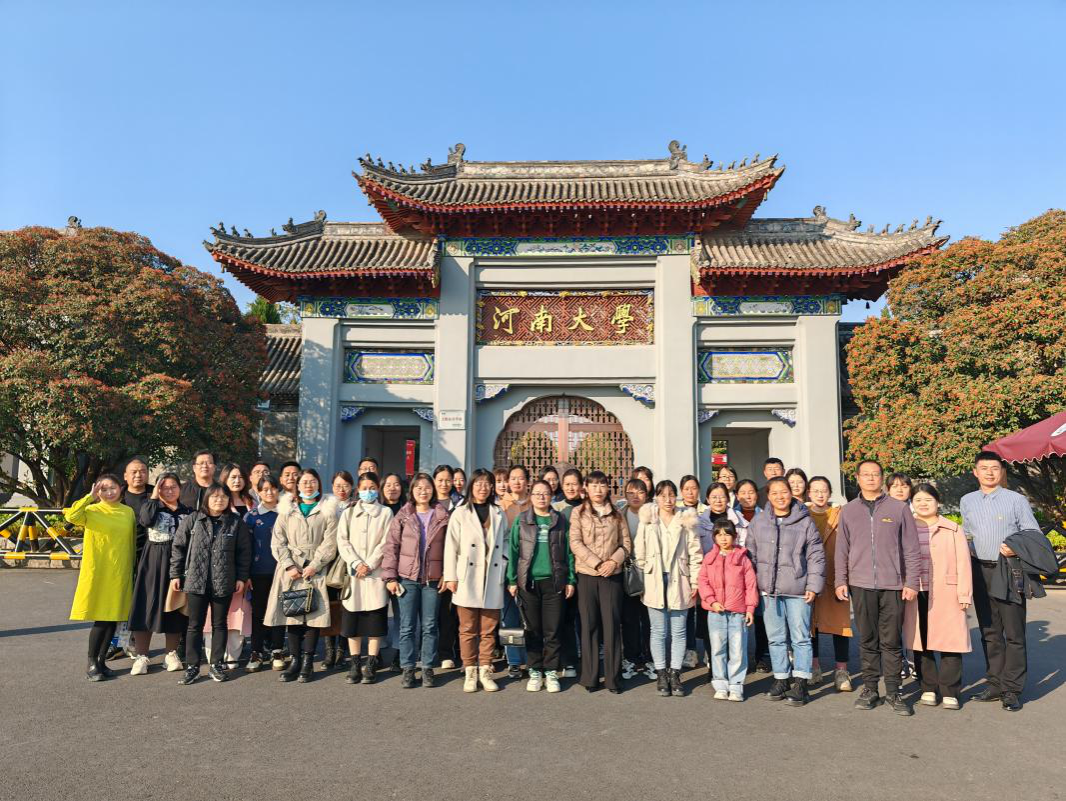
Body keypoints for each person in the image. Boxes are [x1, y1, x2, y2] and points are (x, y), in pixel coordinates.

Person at [835, 459, 921, 715]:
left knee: (891, 641)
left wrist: (911, 582)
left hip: (893, 584)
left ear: (882, 478)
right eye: (866, 474)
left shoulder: (898, 508)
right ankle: (870, 689)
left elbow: (912, 548)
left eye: (875, 474)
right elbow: (842, 549)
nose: (871, 478)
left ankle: (894, 692)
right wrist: (840, 580)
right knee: (868, 640)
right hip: (860, 584)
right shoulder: (848, 511)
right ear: (857, 478)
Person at [962, 450, 1041, 712]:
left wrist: (1015, 546)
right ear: (975, 472)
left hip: (1008, 569)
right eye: (984, 468)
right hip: (979, 570)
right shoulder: (967, 500)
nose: (989, 472)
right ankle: (995, 683)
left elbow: (1032, 532)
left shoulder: (1016, 500)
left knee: (1014, 633)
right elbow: (966, 533)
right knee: (990, 631)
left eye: (994, 468)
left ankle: (1012, 689)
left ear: (1001, 471)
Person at [748, 477, 825, 706]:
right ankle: (781, 678)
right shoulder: (759, 521)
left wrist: (813, 586)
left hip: (798, 589)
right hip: (769, 590)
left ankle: (801, 682)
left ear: (791, 493)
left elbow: (815, 555)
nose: (780, 497)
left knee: (801, 638)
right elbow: (750, 555)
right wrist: (753, 586)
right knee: (776, 638)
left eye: (784, 492)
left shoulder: (805, 521)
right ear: (768, 496)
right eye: (774, 493)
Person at [169, 483, 252, 685]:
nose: (219, 500)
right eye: (214, 496)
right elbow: (178, 547)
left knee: (220, 624)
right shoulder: (193, 519)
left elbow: (244, 552)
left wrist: (241, 577)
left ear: (228, 500)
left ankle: (216, 664)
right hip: (196, 580)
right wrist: (175, 574)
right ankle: (192, 667)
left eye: (223, 497)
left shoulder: (235, 523)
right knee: (194, 625)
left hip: (224, 580)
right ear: (206, 498)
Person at [264, 469, 338, 683]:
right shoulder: (287, 509)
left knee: (313, 616)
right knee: (293, 615)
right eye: (304, 482)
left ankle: (307, 662)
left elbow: (330, 543)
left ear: (318, 484)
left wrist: (315, 565)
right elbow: (278, 541)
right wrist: (288, 565)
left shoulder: (327, 510)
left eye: (312, 481)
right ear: (297, 485)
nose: (308, 485)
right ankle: (295, 661)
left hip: (315, 569)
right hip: (290, 570)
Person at [905, 483, 972, 710]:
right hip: (915, 592)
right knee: (920, 642)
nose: (923, 504)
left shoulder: (952, 529)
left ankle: (950, 691)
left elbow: (964, 563)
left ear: (938, 502)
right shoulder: (906, 528)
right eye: (918, 500)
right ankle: (928, 688)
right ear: (912, 503)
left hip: (947, 592)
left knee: (950, 641)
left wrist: (964, 593)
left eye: (928, 500)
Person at [634, 480, 703, 697]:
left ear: (677, 496)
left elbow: (695, 553)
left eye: (671, 494)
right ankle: (661, 672)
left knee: (679, 630)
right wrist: (643, 577)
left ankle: (675, 673)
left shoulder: (686, 519)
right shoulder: (648, 518)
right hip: (654, 579)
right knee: (658, 630)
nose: (667, 499)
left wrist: (695, 582)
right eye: (662, 495)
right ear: (656, 497)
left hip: (680, 578)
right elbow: (639, 551)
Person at [443, 469, 509, 693]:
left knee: (489, 629)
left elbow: (506, 539)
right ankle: (470, 670)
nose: (483, 487)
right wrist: (450, 576)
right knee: (468, 628)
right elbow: (450, 546)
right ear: (471, 486)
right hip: (467, 576)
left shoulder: (498, 512)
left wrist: (504, 560)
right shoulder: (460, 513)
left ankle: (486, 670)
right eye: (478, 483)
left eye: (487, 483)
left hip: (492, 574)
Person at [507, 480, 576, 693]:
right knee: (533, 630)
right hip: (528, 583)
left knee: (552, 630)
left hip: (554, 582)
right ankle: (535, 670)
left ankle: (551, 671)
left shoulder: (560, 520)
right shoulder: (522, 519)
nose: (541, 497)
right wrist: (512, 580)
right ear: (531, 495)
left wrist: (570, 579)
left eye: (545, 493)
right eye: (537, 493)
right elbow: (514, 551)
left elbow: (569, 552)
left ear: (551, 495)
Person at [382, 472, 449, 688]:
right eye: (418, 487)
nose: (423, 491)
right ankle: (408, 668)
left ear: (433, 490)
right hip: (407, 578)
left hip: (432, 579)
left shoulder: (442, 515)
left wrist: (447, 574)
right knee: (407, 626)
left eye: (427, 487)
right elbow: (391, 547)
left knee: (430, 625)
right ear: (412, 491)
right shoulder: (403, 515)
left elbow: (450, 548)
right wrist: (390, 577)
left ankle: (428, 667)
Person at [66, 474, 136, 681]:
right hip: (99, 571)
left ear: (120, 488)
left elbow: (131, 542)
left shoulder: (128, 512)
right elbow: (71, 516)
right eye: (103, 489)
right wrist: (89, 497)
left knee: (113, 618)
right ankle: (91, 662)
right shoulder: (91, 511)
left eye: (112, 488)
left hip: (120, 572)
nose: (109, 492)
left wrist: (132, 569)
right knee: (101, 619)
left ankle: (102, 661)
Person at [570, 470, 632, 693]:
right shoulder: (578, 513)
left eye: (602, 485)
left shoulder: (617, 514)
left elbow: (626, 544)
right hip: (587, 575)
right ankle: (590, 677)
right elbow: (575, 542)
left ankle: (613, 678)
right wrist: (597, 563)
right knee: (590, 625)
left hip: (612, 577)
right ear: (586, 488)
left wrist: (613, 562)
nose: (598, 489)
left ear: (608, 488)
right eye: (593, 485)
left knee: (612, 625)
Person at [128, 473, 191, 675]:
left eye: (173, 487)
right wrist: (154, 497)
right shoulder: (151, 506)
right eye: (164, 487)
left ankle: (171, 654)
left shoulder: (188, 512)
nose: (169, 491)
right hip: (153, 563)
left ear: (180, 489)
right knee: (146, 606)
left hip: (179, 565)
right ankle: (141, 656)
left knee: (174, 607)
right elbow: (145, 520)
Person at [337, 471, 393, 685]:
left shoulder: (386, 512)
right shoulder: (349, 513)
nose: (368, 491)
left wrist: (369, 564)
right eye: (364, 488)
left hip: (375, 574)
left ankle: (370, 663)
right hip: (354, 575)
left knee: (374, 620)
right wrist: (356, 563)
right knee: (353, 620)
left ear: (378, 489)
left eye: (372, 488)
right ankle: (354, 662)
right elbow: (342, 541)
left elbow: (386, 542)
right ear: (357, 490)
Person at [698, 520, 757, 701]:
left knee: (738, 650)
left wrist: (750, 608)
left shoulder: (743, 558)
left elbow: (750, 585)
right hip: (716, 612)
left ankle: (736, 685)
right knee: (717, 649)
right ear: (714, 537)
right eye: (719, 534)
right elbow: (703, 582)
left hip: (737, 612)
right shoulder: (709, 558)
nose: (723, 538)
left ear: (734, 536)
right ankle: (720, 684)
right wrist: (712, 601)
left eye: (727, 534)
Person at [807, 476, 852, 692]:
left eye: (824, 490)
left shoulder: (840, 514)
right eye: (815, 490)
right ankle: (814, 667)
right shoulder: (802, 515)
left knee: (840, 625)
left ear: (830, 492)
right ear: (809, 493)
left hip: (836, 575)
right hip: (810, 577)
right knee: (811, 625)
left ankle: (841, 671)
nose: (820, 494)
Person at [211, 463, 255, 668]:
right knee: (220, 612)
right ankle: (216, 654)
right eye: (232, 477)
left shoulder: (251, 502)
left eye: (240, 477)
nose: (237, 481)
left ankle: (233, 654)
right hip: (223, 565)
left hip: (246, 563)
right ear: (224, 479)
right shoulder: (218, 502)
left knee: (240, 611)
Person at [244, 476, 285, 672]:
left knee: (279, 611)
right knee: (258, 613)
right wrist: (246, 574)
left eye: (273, 488)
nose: (269, 492)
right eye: (265, 489)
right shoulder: (251, 517)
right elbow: (245, 548)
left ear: (278, 490)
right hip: (258, 572)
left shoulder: (285, 514)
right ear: (258, 492)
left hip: (281, 572)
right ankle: (256, 651)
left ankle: (277, 650)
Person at [321, 470, 355, 671]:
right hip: (328, 561)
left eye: (346, 485)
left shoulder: (357, 506)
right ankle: (329, 651)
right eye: (338, 486)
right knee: (329, 605)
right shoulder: (325, 506)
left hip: (348, 561)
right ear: (332, 487)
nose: (342, 490)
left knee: (345, 605)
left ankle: (342, 650)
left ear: (352, 487)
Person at [734, 478, 769, 672]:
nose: (747, 496)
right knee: (740, 618)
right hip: (738, 575)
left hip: (760, 572)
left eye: (751, 492)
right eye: (743, 492)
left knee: (761, 617)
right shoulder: (732, 517)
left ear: (757, 494)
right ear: (736, 495)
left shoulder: (765, 516)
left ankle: (761, 656)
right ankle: (741, 659)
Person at [620, 478, 654, 681]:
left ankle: (650, 658)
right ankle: (631, 657)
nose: (635, 496)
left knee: (649, 618)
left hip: (650, 572)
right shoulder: (620, 515)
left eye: (640, 492)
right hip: (627, 572)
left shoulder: (653, 515)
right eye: (631, 492)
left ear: (646, 494)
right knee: (629, 618)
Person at [500, 464, 532, 678]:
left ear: (527, 481)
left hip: (531, 568)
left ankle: (531, 659)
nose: (517, 482)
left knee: (530, 616)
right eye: (513, 478)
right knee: (510, 616)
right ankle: (513, 661)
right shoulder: (500, 506)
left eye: (521, 478)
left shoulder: (535, 503)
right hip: (507, 566)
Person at [552, 467, 584, 677]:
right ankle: (568, 660)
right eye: (567, 484)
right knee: (564, 617)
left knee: (585, 617)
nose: (571, 488)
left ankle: (587, 657)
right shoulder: (556, 509)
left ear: (581, 486)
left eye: (575, 483)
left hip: (585, 568)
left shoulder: (588, 507)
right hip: (563, 569)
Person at [121, 457, 154, 567]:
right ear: (125, 476)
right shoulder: (116, 496)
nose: (138, 475)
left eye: (143, 472)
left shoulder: (157, 495)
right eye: (134, 472)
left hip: (150, 551)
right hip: (122, 550)